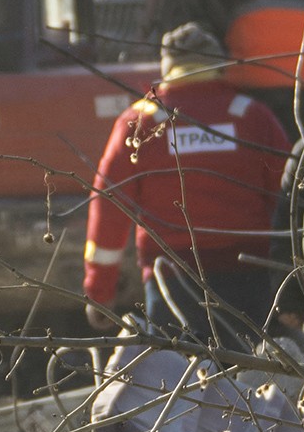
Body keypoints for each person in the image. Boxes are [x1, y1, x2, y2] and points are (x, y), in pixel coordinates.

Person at [83, 22, 293, 347]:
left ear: (167, 66)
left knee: (177, 388)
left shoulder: (139, 124)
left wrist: (100, 290)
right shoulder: (253, 117)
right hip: (249, 281)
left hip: (172, 284)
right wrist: (299, 288)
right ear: (217, 65)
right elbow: (289, 199)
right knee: (251, 387)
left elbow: (109, 207)